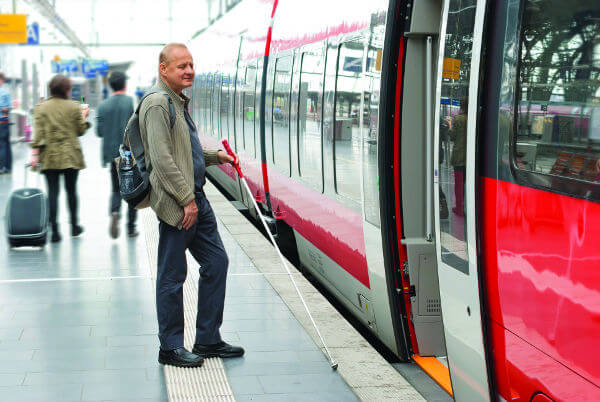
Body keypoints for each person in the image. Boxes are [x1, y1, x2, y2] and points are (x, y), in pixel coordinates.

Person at [140, 43, 243, 368]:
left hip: (196, 199)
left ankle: (208, 338)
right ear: (163, 69)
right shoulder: (157, 104)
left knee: (217, 263)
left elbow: (188, 149)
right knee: (172, 277)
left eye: (191, 65)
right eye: (181, 65)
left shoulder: (177, 101)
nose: (189, 71)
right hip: (177, 204)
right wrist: (186, 201)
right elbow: (162, 159)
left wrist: (216, 157)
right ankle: (169, 347)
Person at [30, 74, 90, 242]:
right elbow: (80, 130)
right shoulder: (74, 106)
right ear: (66, 89)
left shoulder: (41, 108)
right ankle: (74, 226)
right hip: (71, 155)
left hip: (50, 156)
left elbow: (38, 135)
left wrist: (34, 153)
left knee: (53, 193)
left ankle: (55, 231)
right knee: (71, 192)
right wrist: (84, 118)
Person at [96, 71, 138, 238]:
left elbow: (99, 132)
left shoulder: (102, 105)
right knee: (131, 191)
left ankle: (114, 212)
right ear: (124, 85)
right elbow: (135, 128)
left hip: (111, 154)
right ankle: (130, 228)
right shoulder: (129, 102)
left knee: (115, 189)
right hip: (127, 153)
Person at [448, 97, 467, 217]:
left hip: (459, 158)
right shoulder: (474, 118)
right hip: (470, 159)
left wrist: (450, 124)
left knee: (459, 184)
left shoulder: (458, 119)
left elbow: (453, 136)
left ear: (461, 105)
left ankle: (459, 208)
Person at [0, 72, 12, 174]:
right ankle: (7, 166)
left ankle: (1, 167)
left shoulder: (4, 92)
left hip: (2, 120)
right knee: (5, 144)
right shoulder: (5, 92)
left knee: (2, 144)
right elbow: (7, 108)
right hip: (4, 120)